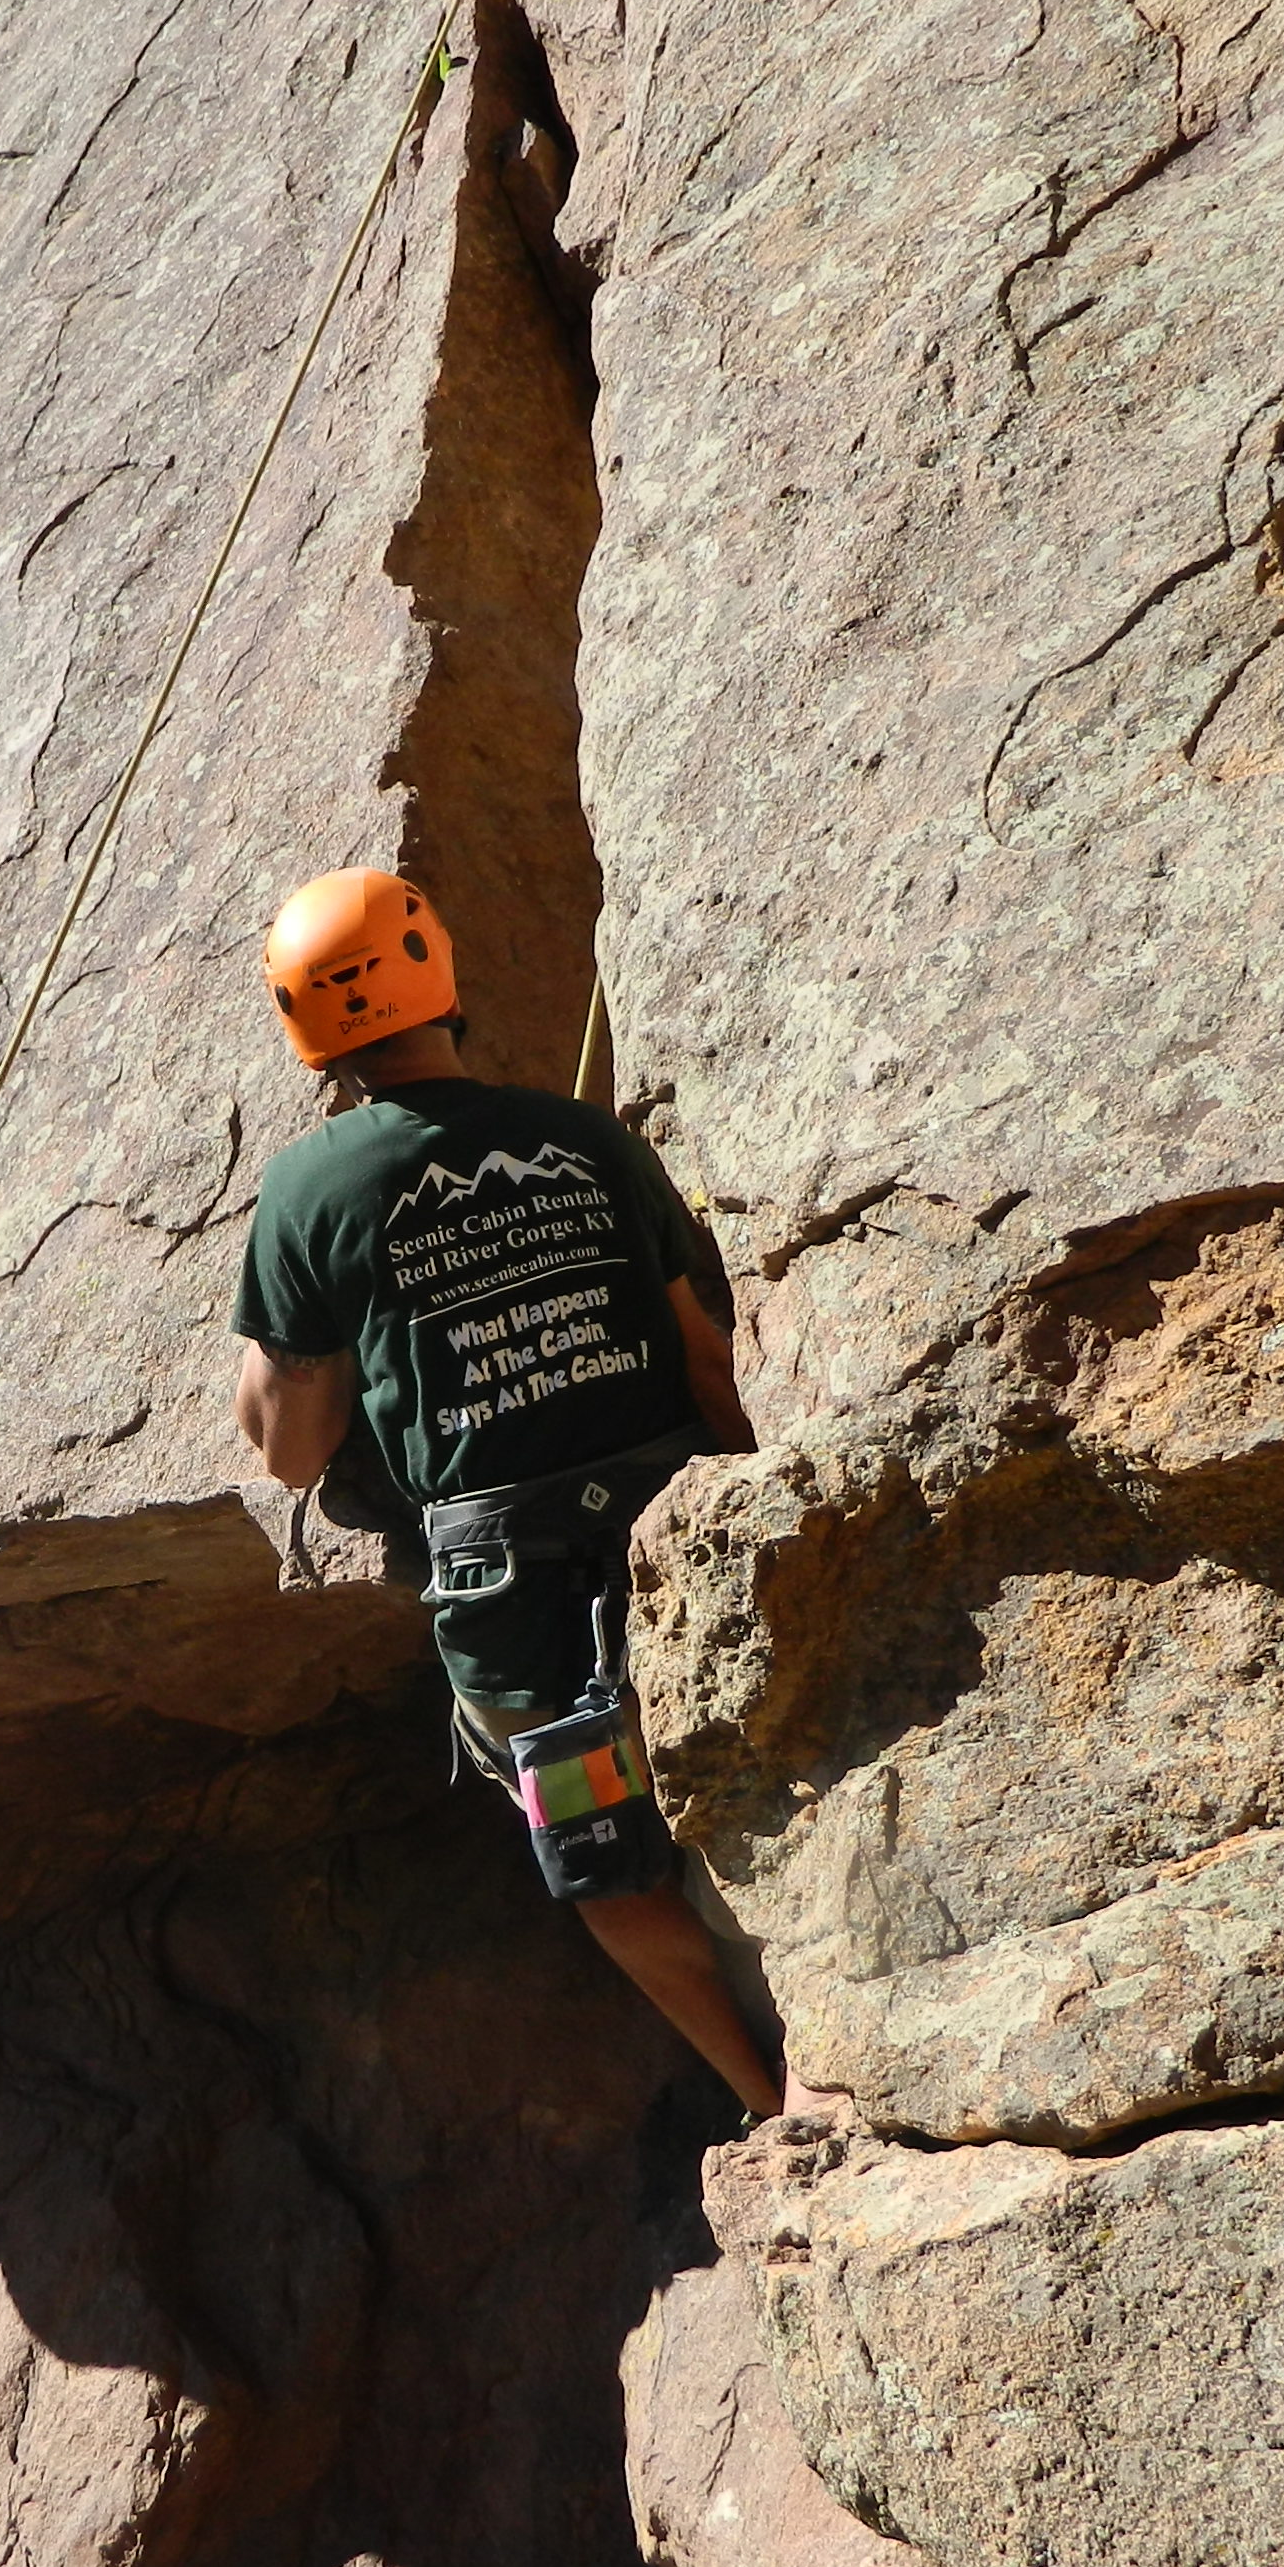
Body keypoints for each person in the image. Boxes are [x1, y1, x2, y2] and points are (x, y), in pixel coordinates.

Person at [227, 867, 798, 2116]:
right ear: (437, 970)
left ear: (299, 1021)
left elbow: (290, 1449)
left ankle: (774, 2100)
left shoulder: (307, 1192)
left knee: (605, 1864)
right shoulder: (589, 1140)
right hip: (669, 1516)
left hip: (511, 1590)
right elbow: (705, 1358)